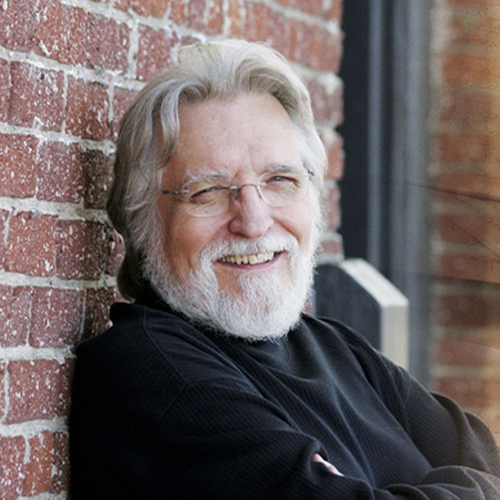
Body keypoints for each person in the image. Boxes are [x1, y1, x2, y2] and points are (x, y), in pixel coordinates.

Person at [69, 39, 500, 499]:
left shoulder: (337, 349)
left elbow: (487, 455)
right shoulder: (154, 376)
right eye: (208, 191)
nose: (254, 221)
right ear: (142, 222)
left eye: (279, 180)